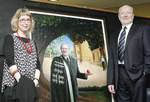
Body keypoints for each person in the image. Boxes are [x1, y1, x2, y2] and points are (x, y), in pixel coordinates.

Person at [107, 5, 150, 102]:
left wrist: (145, 73)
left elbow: (149, 53)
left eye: (128, 12)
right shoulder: (114, 35)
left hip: (138, 75)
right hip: (119, 75)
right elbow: (111, 59)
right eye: (122, 13)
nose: (125, 15)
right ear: (118, 16)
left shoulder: (143, 29)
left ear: (133, 15)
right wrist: (110, 81)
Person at [1, 8, 41, 102]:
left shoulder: (32, 42)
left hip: (30, 87)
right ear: (16, 21)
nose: (25, 23)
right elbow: (10, 60)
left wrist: (35, 81)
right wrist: (21, 81)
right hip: (14, 86)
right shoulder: (10, 38)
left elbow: (37, 64)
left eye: (28, 20)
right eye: (22, 20)